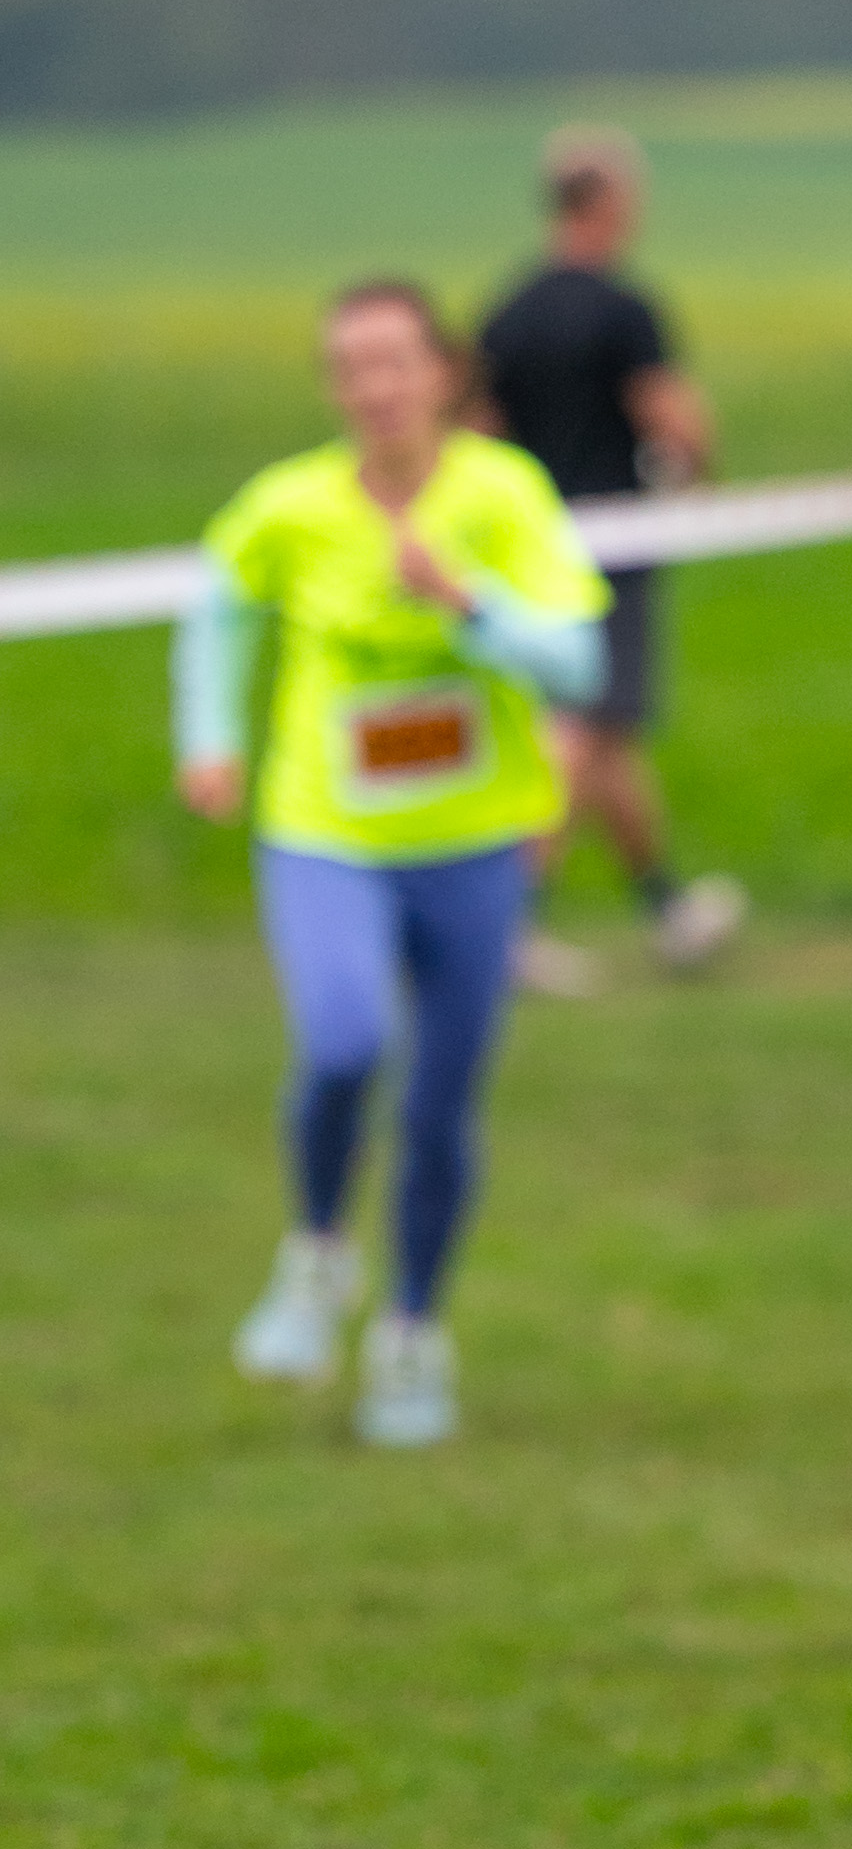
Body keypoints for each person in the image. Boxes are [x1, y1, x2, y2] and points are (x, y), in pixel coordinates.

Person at [173, 280, 610, 1448]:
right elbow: (218, 604)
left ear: (443, 371)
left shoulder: (503, 494)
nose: (373, 386)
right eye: (350, 366)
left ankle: (413, 1331)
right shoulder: (291, 505)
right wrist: (209, 736)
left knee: (439, 1103)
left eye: (394, 361)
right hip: (327, 832)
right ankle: (319, 1251)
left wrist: (471, 605)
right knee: (345, 1042)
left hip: (473, 843)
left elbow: (576, 666)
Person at [475, 127, 744, 994]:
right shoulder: (626, 310)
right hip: (611, 551)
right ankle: (506, 924)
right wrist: (697, 478)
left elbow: (478, 431)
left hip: (526, 547)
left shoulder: (506, 310)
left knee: (609, 736)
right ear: (611, 202)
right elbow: (674, 419)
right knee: (580, 734)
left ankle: (667, 908)